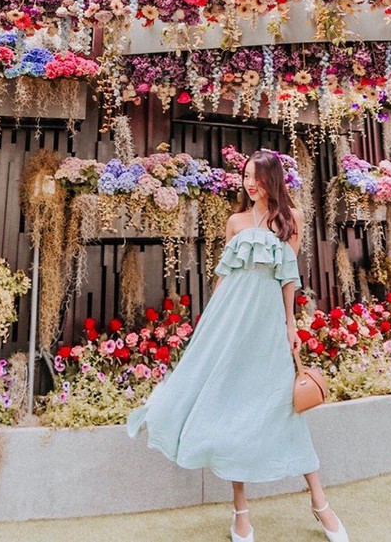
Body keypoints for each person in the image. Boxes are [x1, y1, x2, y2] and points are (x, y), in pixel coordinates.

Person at [127, 149, 348, 542]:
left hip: (267, 326)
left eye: (257, 177)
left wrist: (291, 324)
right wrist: (211, 325)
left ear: (272, 180)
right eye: (246, 176)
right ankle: (240, 511)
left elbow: (288, 279)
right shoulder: (235, 222)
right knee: (229, 410)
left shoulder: (291, 220)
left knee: (286, 409)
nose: (250, 183)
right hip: (229, 323)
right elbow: (224, 279)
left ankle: (320, 502)